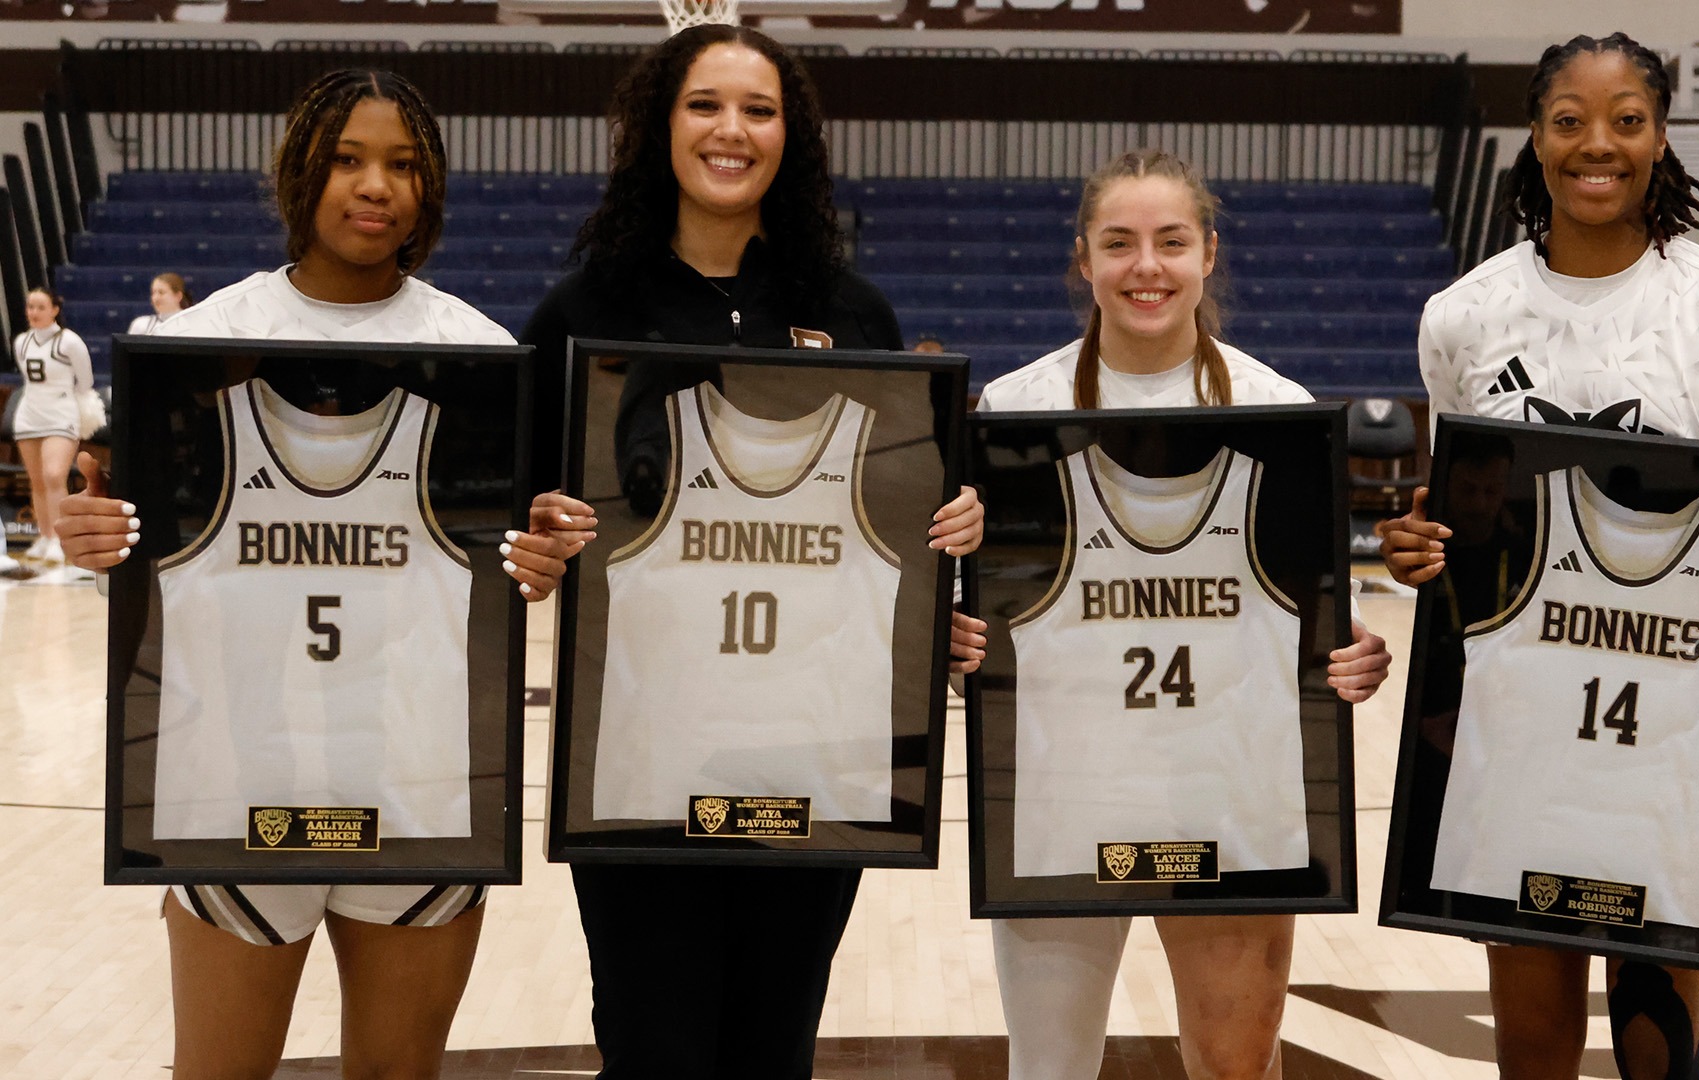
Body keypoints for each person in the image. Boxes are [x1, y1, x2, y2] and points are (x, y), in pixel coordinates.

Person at [54, 68, 587, 1079]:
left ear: (430, 191)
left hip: (419, 782)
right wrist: (97, 543)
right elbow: (141, 546)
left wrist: (543, 554)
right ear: (302, 170)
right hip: (231, 779)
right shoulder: (204, 345)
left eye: (403, 164)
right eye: (348, 159)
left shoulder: (474, 355)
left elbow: (510, 561)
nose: (374, 185)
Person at [1375, 33, 1699, 1079]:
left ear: (1661, 136)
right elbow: (1465, 519)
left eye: (1627, 119)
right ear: (1535, 138)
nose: (1599, 145)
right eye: (1570, 120)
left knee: (1658, 1052)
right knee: (1534, 1048)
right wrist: (1418, 548)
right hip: (1522, 732)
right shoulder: (1461, 318)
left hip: (1677, 730)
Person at [518, 24, 983, 1080]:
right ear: (660, 126)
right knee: (653, 1050)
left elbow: (907, 516)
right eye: (705, 105)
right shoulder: (584, 314)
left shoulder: (849, 311)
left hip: (813, 752)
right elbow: (508, 520)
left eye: (759, 110)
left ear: (793, 136)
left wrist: (952, 546)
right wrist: (535, 543)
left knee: (774, 1050)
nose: (732, 130)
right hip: (638, 755)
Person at [975, 148, 1392, 1080]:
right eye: (1118, 244)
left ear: (1208, 252)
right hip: (1061, 784)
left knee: (1235, 1068)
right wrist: (959, 642)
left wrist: (1353, 652)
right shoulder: (1015, 409)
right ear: (1083, 260)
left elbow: (1324, 614)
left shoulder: (1276, 409)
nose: (1146, 267)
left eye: (1170, 242)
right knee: (1048, 1066)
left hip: (1230, 783)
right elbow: (991, 609)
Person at [9, 286, 93, 569]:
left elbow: (86, 381)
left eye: (40, 307)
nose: (33, 313)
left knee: (54, 475)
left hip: (61, 413)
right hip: (29, 415)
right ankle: (44, 536)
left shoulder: (69, 341)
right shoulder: (21, 341)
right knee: (36, 480)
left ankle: (60, 539)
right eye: (30, 307)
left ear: (55, 310)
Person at [128, 272, 193, 334]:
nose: (156, 298)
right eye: (153, 293)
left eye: (161, 292)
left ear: (178, 296)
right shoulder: (141, 325)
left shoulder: (192, 324)